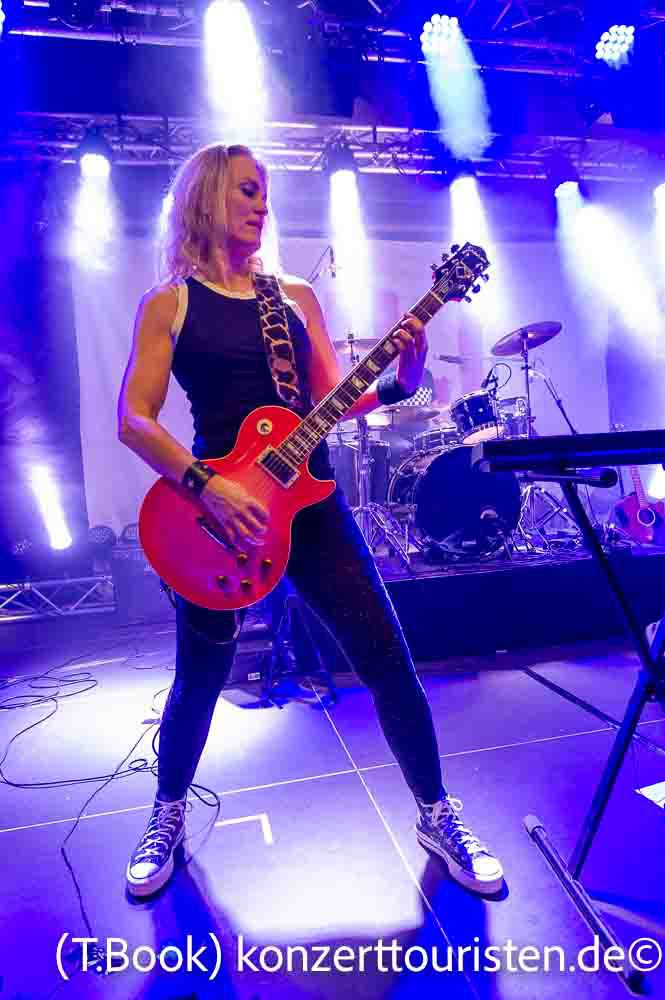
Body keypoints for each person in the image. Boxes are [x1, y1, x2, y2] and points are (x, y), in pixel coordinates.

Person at [117, 142, 503, 899]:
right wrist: (208, 487)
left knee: (387, 660)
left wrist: (404, 380)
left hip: (313, 506)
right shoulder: (171, 303)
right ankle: (167, 814)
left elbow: (333, 399)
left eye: (264, 193)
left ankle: (436, 813)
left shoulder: (291, 297)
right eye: (246, 191)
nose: (262, 204)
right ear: (204, 198)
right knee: (199, 677)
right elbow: (134, 418)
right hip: (217, 516)